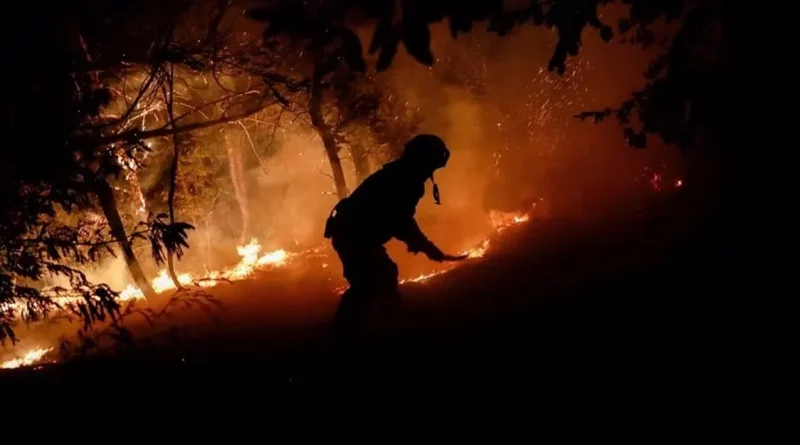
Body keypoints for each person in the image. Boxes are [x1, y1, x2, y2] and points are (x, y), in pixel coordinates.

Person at [324, 134, 458, 338]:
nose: (432, 169)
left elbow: (400, 220)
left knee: (382, 275)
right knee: (370, 281)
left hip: (357, 234)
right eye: (432, 163)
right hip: (353, 234)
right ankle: (347, 337)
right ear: (423, 158)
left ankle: (386, 328)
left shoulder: (402, 174)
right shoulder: (404, 179)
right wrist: (426, 246)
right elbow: (400, 220)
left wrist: (422, 245)